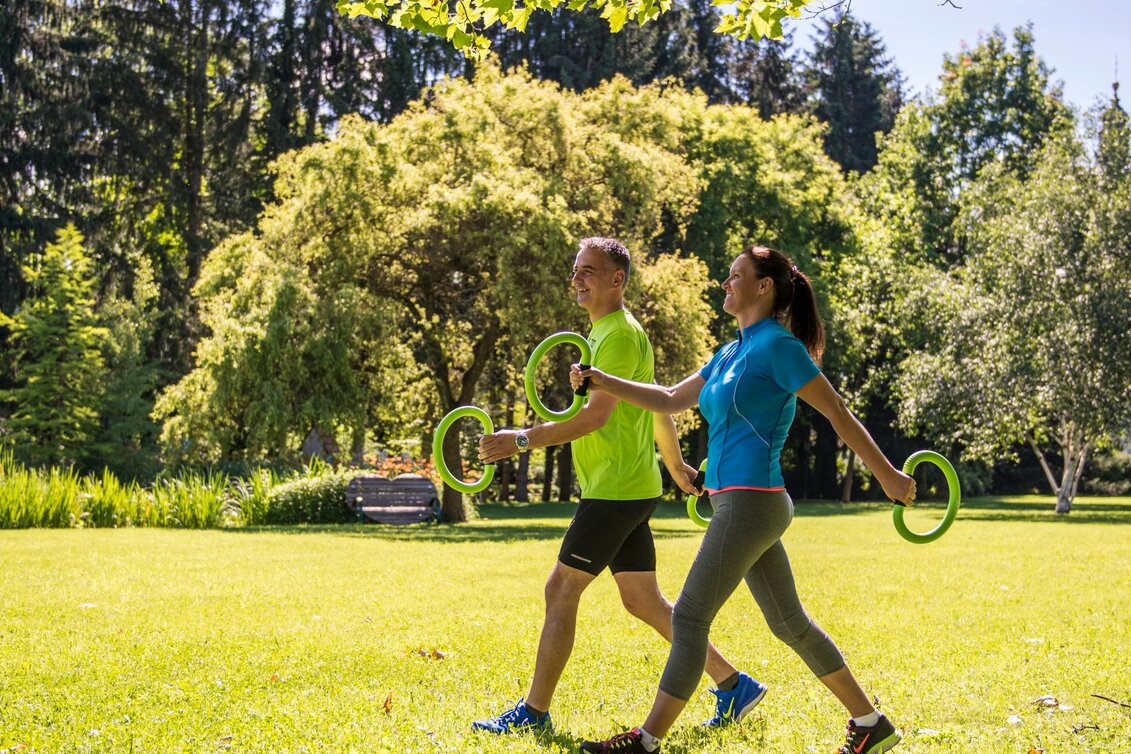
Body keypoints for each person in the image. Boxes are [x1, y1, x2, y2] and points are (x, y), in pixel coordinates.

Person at [571, 246, 916, 754]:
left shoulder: (779, 347)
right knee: (789, 622)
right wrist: (602, 379)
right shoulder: (731, 351)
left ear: (764, 287)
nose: (725, 285)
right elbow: (667, 399)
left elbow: (837, 411)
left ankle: (645, 742)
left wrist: (887, 474)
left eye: (735, 277)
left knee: (688, 618)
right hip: (737, 504)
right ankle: (870, 723)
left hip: (754, 501)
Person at [471, 237, 767, 736]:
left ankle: (534, 713)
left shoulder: (619, 337)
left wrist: (520, 440)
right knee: (643, 600)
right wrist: (673, 467)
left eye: (590, 270)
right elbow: (656, 406)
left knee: (560, 588)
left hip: (615, 490)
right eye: (575, 270)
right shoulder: (607, 334)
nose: (578, 279)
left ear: (617, 279)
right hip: (627, 485)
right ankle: (733, 684)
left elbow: (595, 418)